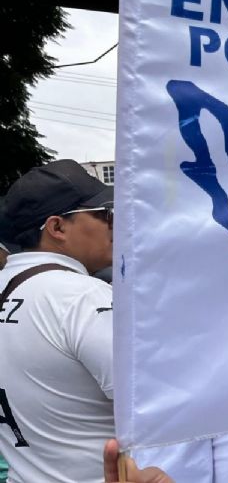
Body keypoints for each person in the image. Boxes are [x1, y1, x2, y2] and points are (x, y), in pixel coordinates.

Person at [0, 159, 115, 483]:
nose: (113, 223)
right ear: (57, 227)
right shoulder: (80, 297)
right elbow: (163, 399)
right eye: (103, 213)